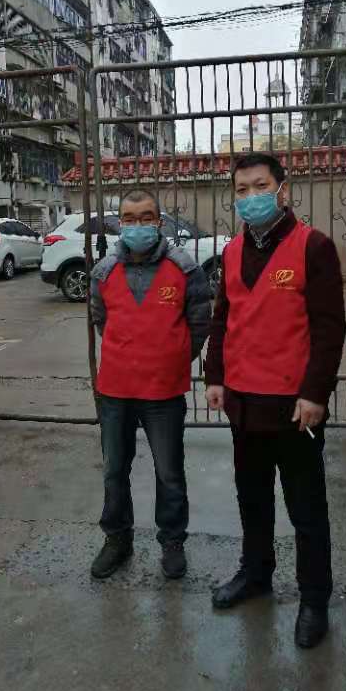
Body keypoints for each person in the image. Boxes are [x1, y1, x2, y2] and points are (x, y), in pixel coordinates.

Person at [205, 153, 346, 649]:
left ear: (283, 189)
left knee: (306, 509)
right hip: (244, 404)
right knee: (252, 498)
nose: (251, 197)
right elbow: (223, 319)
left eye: (260, 186)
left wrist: (315, 394)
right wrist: (215, 377)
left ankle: (314, 598)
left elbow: (329, 329)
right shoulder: (231, 251)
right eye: (241, 189)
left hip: (294, 408)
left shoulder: (313, 246)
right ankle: (256, 573)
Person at [90, 189, 211, 581]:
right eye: (129, 218)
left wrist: (173, 356)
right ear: (119, 224)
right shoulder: (104, 272)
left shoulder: (184, 268)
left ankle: (172, 542)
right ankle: (117, 540)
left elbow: (199, 320)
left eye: (145, 217)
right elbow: (100, 319)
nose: (137, 225)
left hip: (164, 392)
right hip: (116, 391)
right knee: (114, 471)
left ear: (158, 222)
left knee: (169, 472)